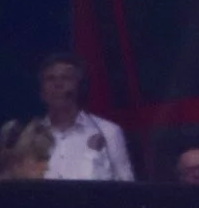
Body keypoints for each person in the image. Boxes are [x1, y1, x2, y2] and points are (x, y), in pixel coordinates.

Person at [30, 49, 134, 181]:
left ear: (80, 86)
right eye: (51, 79)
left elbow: (126, 184)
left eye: (66, 78)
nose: (58, 84)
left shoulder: (108, 132)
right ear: (42, 91)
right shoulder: (31, 136)